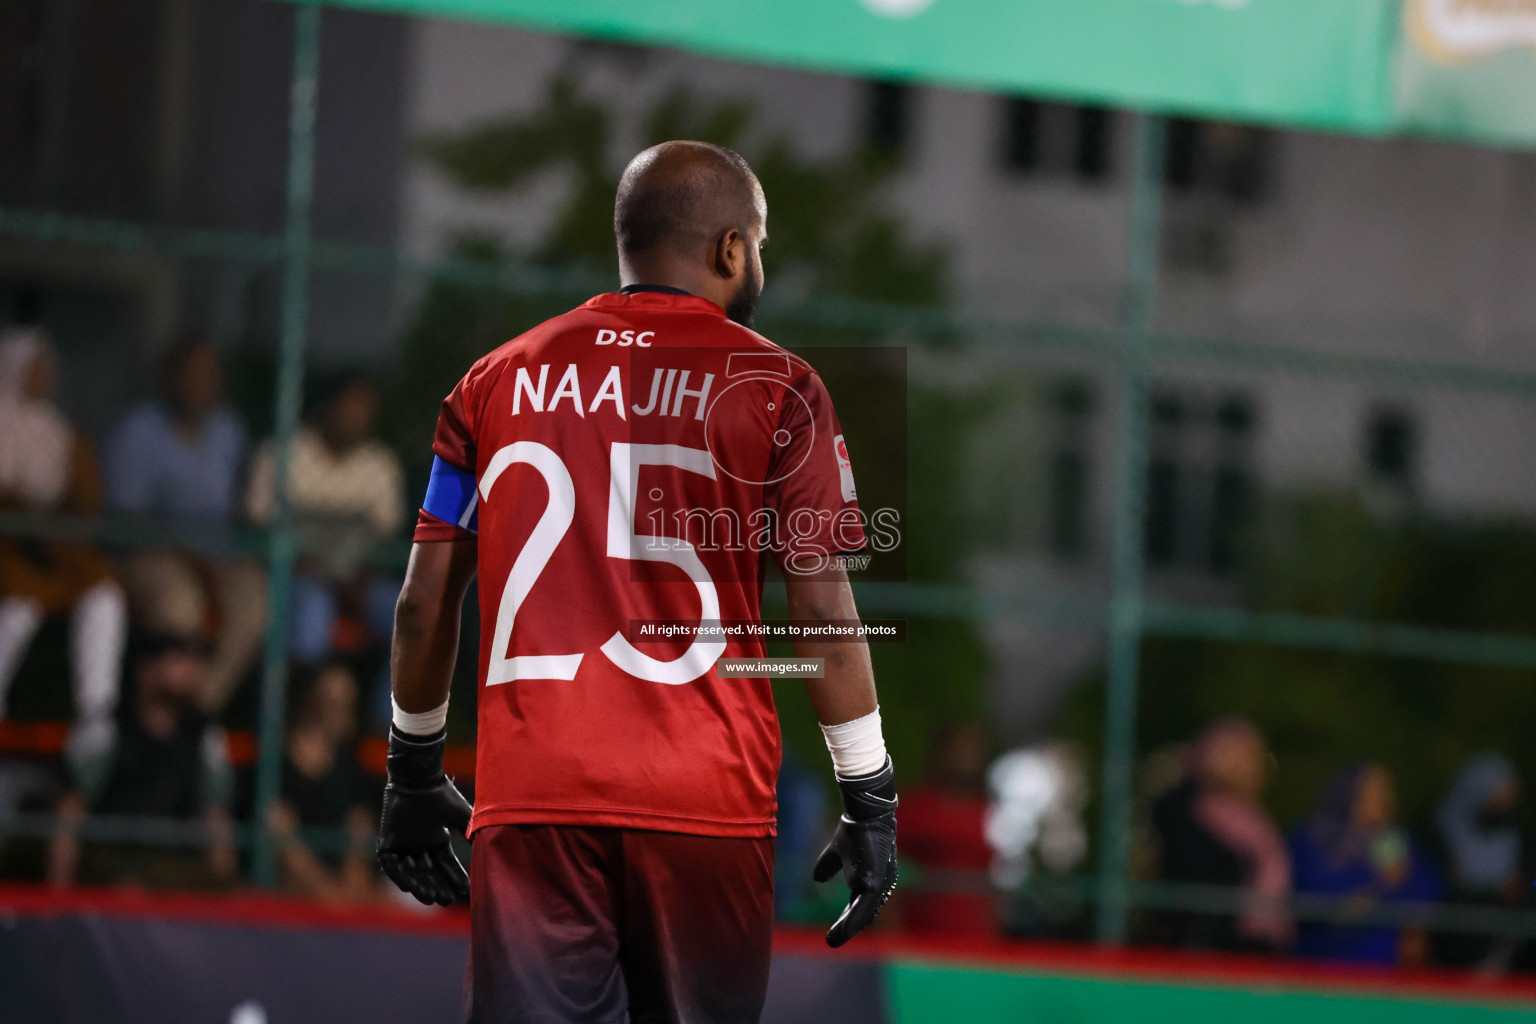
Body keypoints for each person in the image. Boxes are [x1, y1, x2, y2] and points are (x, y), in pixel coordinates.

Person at [377, 141, 898, 1023]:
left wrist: (413, 768)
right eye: (761, 244)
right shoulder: (784, 387)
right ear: (732, 249)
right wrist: (869, 790)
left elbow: (426, 602)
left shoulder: (492, 382)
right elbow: (824, 612)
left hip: (536, 795)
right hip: (705, 798)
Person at [104, 337, 265, 713]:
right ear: (170, 378)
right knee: (181, 607)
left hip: (218, 552)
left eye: (208, 376)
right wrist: (183, 554)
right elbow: (128, 518)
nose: (200, 385)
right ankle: (162, 712)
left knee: (257, 604)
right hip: (153, 551)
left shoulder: (228, 430)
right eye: (191, 375)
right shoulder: (138, 430)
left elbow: (240, 509)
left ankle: (200, 707)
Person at [0, 329, 125, 757]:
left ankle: (95, 712)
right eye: (36, 368)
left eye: (48, 368)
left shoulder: (59, 432)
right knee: (18, 607)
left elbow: (83, 499)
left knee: (103, 594)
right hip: (12, 552)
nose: (45, 377)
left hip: (55, 551)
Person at [48, 631, 236, 889]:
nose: (191, 669)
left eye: (195, 660)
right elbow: (71, 809)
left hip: (175, 866)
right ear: (145, 671)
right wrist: (58, 896)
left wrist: (223, 886)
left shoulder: (205, 736)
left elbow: (216, 816)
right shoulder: (108, 729)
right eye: (178, 659)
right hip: (111, 864)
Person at [246, 374, 404, 667]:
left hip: (358, 579)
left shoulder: (379, 464)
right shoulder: (283, 453)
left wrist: (357, 577)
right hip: (296, 575)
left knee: (409, 622)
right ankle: (295, 705)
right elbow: (258, 524)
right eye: (348, 407)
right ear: (327, 407)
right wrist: (312, 567)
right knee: (312, 621)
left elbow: (384, 540)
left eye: (364, 411)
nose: (355, 418)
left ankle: (384, 713)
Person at [1150, 718, 1292, 953]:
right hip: (1213, 941)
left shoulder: (1252, 816)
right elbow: (1208, 872)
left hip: (1252, 938)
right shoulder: (1186, 808)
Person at [1290, 763, 1441, 967]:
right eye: (1375, 789)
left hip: (1386, 964)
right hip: (1322, 959)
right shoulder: (1316, 838)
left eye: (1387, 789)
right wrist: (1374, 886)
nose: (1384, 798)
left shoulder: (1396, 842)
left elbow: (1426, 891)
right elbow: (1314, 893)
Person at [265, 660, 382, 904]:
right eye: (333, 705)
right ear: (311, 704)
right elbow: (281, 834)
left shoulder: (351, 765)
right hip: (290, 887)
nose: (344, 714)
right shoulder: (276, 765)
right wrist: (327, 893)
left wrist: (351, 888)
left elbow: (359, 828)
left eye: (349, 705)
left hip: (343, 892)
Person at [1432, 754, 1532, 972]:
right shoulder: (1442, 834)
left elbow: (1526, 886)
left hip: (1504, 950)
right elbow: (1440, 888)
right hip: (1450, 948)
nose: (1506, 800)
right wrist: (1491, 892)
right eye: (1498, 792)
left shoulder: (1517, 836)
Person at [898, 722, 996, 935]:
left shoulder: (991, 811)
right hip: (920, 931)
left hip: (978, 933)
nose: (963, 756)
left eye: (970, 749)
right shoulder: (917, 806)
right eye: (957, 748)